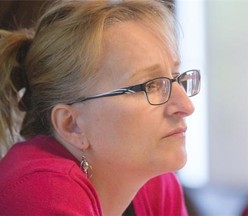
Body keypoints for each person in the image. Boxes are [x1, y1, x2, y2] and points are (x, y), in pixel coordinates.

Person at [0, 0, 201, 215]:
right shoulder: (41, 191)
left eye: (175, 77)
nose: (186, 106)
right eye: (151, 85)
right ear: (72, 125)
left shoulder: (156, 183)